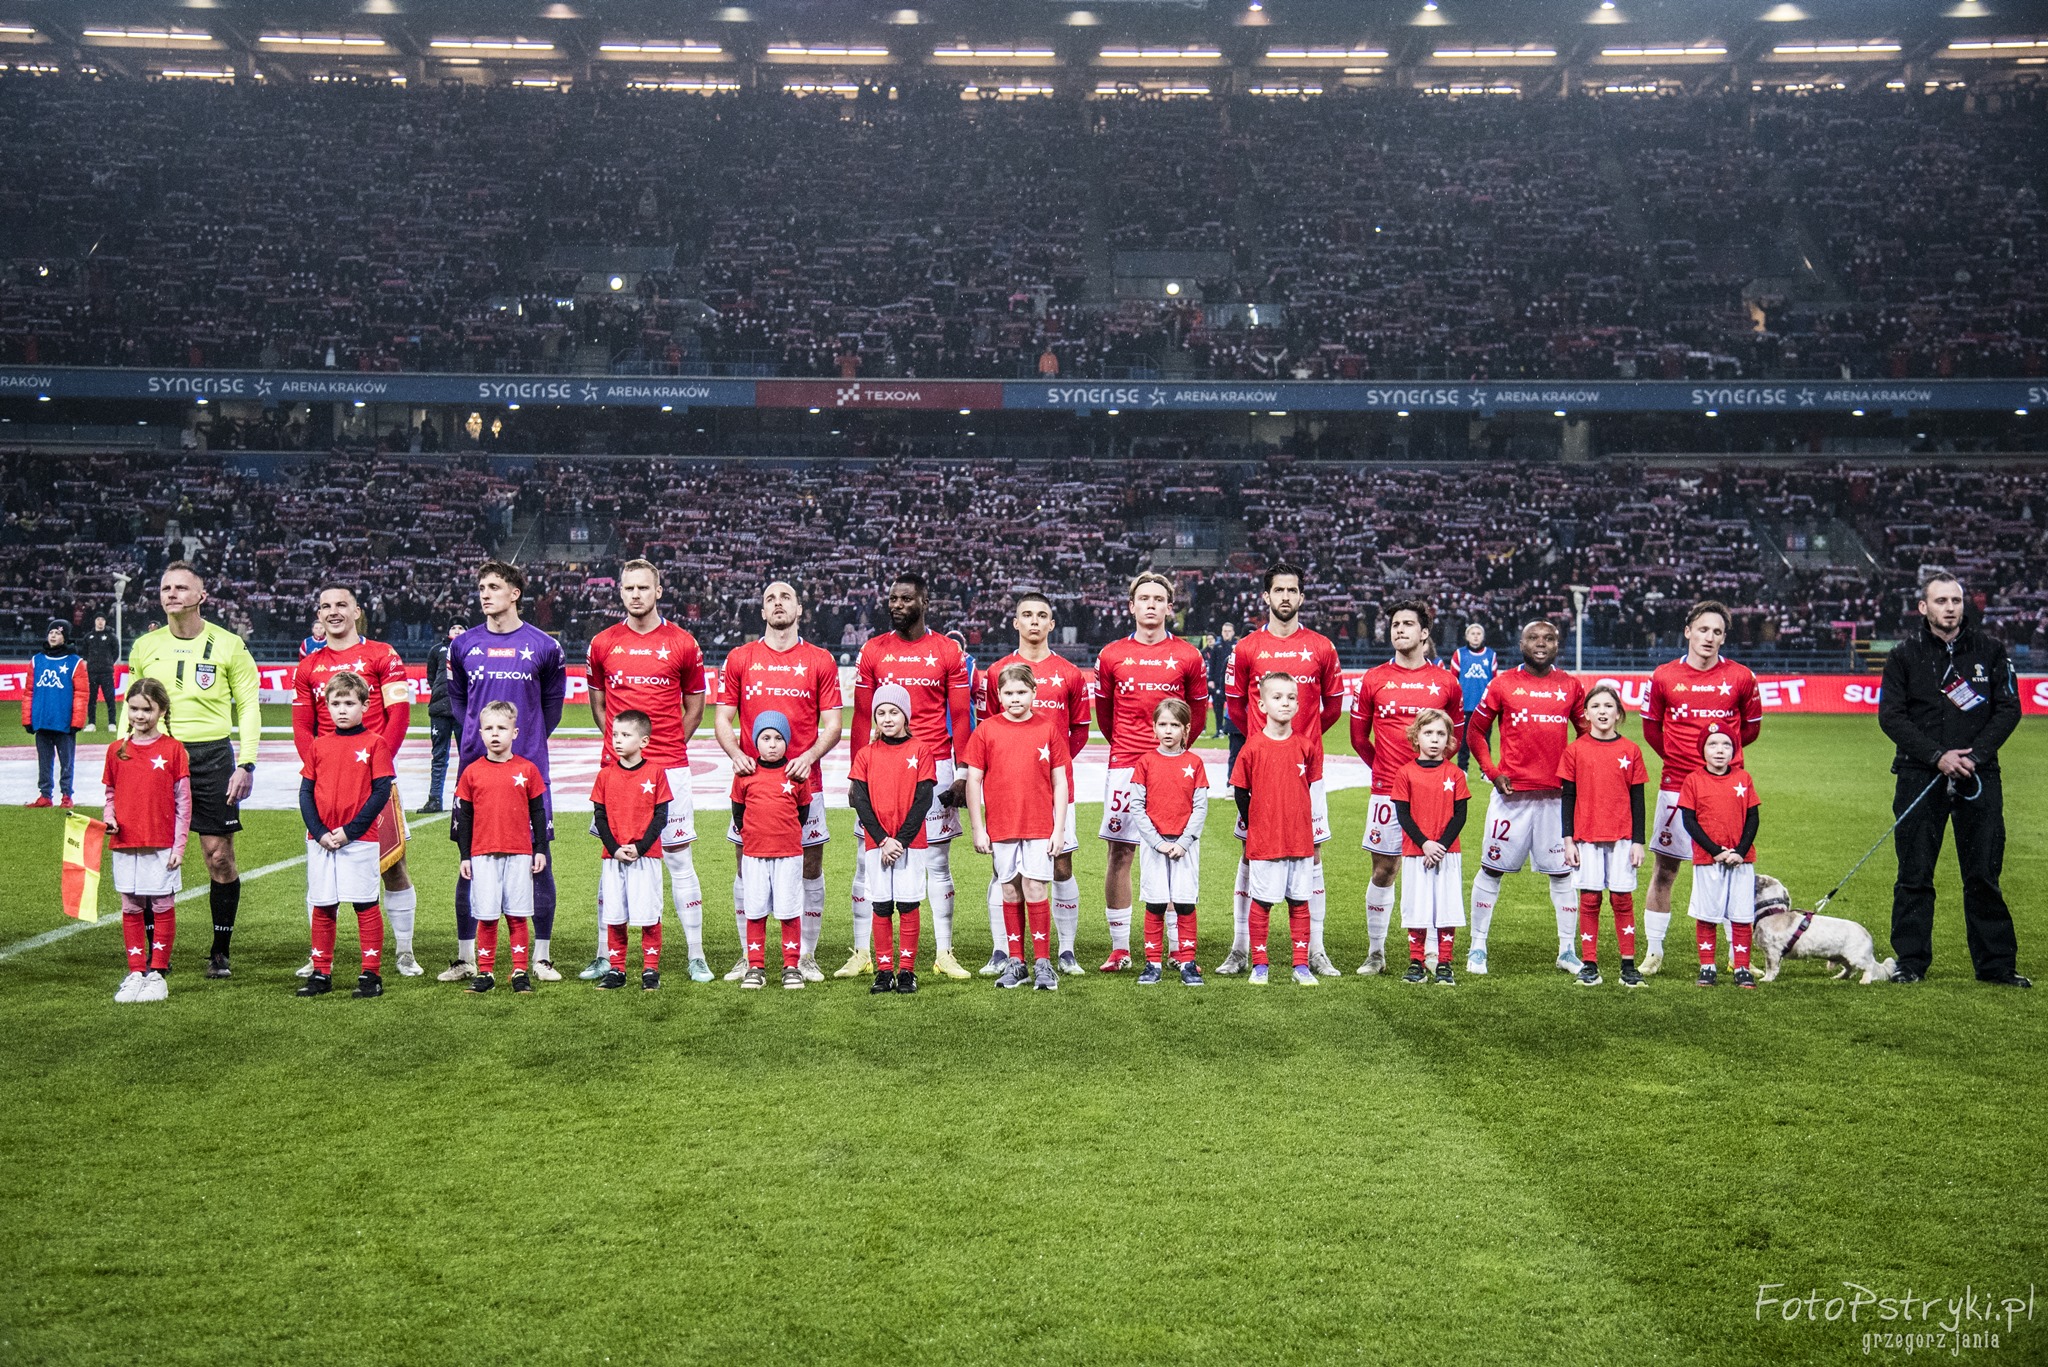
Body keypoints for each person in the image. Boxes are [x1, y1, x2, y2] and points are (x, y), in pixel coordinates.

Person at [1878, 571, 2027, 987]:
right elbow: (1891, 716)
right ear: (1923, 607)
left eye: (1956, 601)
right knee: (1914, 873)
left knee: (1983, 874)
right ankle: (1910, 962)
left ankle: (1996, 966)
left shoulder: (1991, 650)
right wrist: (1936, 756)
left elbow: (2009, 709)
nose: (1949, 608)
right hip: (1918, 774)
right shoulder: (1903, 655)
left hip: (1979, 775)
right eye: (1941, 601)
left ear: (1964, 605)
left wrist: (1974, 757)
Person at [123, 562, 261, 980]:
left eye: (182, 588)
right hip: (156, 755)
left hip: (212, 757)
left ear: (201, 596)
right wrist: (123, 756)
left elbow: (248, 706)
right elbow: (132, 708)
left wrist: (246, 763)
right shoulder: (145, 646)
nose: (172, 593)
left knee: (218, 856)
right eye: (166, 587)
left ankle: (220, 950)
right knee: (151, 853)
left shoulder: (229, 645)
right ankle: (155, 954)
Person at [582, 560, 708, 982]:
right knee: (612, 859)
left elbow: (695, 708)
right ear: (620, 591)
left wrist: (662, 750)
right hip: (616, 773)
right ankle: (604, 955)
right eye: (629, 588)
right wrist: (626, 755)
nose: (635, 595)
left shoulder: (683, 643)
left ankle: (696, 955)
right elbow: (600, 708)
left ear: (658, 591)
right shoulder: (603, 643)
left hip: (670, 768)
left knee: (678, 858)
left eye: (643, 588)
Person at [1217, 562, 1342, 976]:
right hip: (1262, 771)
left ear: (1301, 597)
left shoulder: (1322, 647)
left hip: (1307, 772)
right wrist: (1264, 742)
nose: (1285, 597)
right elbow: (1236, 707)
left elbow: (1332, 707)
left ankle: (1316, 950)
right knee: (1250, 852)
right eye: (1278, 590)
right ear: (1266, 596)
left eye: (1292, 590)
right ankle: (1240, 948)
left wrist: (1302, 743)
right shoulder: (1246, 647)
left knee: (1313, 853)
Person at [846, 573, 973, 980]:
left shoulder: (947, 650)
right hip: (879, 767)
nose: (897, 605)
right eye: (892, 599)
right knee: (867, 861)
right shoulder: (873, 650)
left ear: (924, 602)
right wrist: (854, 776)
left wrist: (963, 772)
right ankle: (862, 953)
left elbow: (961, 716)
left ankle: (944, 952)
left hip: (932, 768)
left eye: (905, 599)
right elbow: (861, 716)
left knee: (936, 862)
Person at [291, 586, 422, 978]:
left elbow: (399, 715)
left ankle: (404, 951)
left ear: (357, 611)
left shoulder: (384, 654)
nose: (333, 612)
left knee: (392, 866)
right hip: (327, 785)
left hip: (374, 779)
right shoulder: (307, 666)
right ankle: (319, 956)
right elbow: (302, 726)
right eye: (325, 606)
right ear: (319, 614)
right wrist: (320, 769)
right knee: (321, 869)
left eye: (341, 605)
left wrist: (376, 765)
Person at [716, 580, 843, 984]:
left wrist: (808, 757)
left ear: (799, 609)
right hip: (753, 784)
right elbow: (722, 719)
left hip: (805, 781)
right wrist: (735, 754)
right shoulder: (740, 657)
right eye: (770, 598)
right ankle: (747, 955)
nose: (777, 603)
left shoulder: (820, 659)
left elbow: (834, 725)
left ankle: (805, 956)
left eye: (786, 597)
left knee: (810, 864)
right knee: (745, 864)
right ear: (762, 611)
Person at [446, 561, 567, 982]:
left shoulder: (544, 646)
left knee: (538, 859)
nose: (485, 593)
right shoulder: (463, 645)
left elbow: (552, 707)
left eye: (494, 586)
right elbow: (458, 702)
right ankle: (466, 958)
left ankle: (541, 957)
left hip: (527, 770)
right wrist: (476, 738)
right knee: (469, 860)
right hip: (475, 771)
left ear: (515, 593)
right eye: (481, 587)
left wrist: (527, 740)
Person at [1094, 571, 1209, 972]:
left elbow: (1197, 714)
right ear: (1132, 606)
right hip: (1125, 765)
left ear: (1169, 607)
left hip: (1172, 768)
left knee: (1173, 851)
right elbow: (1105, 717)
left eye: (1159, 599)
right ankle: (1120, 948)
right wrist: (1132, 748)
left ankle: (1177, 949)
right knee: (1120, 852)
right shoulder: (1111, 654)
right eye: (1144, 598)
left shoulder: (1188, 656)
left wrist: (1172, 756)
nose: (1151, 605)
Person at [1640, 601, 1761, 976]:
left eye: (1717, 632)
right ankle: (1654, 952)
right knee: (1665, 870)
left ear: (1724, 638)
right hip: (1676, 786)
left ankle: (1736, 956)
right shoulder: (1663, 676)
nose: (1709, 637)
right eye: (1703, 629)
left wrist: (1719, 766)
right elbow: (1651, 729)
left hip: (1726, 789)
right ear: (1688, 631)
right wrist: (1681, 761)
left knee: (1730, 868)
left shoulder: (1741, 677)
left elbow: (1750, 729)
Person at [1463, 620, 1589, 976]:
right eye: (1533, 638)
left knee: (1563, 874)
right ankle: (1477, 946)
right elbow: (1475, 731)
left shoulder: (1570, 686)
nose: (1541, 643)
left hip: (1556, 799)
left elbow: (1586, 736)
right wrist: (1492, 771)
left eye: (1549, 638)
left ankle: (1567, 950)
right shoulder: (1503, 683)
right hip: (1511, 798)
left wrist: (1578, 777)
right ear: (1521, 644)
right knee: (1491, 869)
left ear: (1557, 644)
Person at [975, 591, 1091, 977]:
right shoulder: (997, 672)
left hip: (1054, 789)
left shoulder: (1070, 673)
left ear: (1052, 623)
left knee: (1061, 866)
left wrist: (1050, 766)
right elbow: (988, 730)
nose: (1035, 621)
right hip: (1008, 791)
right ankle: (1002, 951)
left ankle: (1066, 951)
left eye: (1042, 615)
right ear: (1015, 622)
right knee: (1003, 872)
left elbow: (1079, 732)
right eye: (1027, 615)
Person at [1348, 600, 1463, 974]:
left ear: (1424, 632)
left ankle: (1430, 952)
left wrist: (1429, 776)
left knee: (1432, 866)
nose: (1399, 629)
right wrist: (1390, 775)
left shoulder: (1445, 682)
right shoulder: (1373, 679)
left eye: (1408, 624)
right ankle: (1376, 953)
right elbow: (1359, 738)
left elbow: (1455, 738)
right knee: (1384, 870)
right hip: (1386, 791)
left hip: (1434, 793)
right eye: (1395, 624)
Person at [961, 662, 1072, 992]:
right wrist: (978, 828)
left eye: (1022, 692)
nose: (1015, 698)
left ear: (1034, 692)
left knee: (1036, 888)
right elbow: (973, 781)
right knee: (1009, 889)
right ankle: (1016, 962)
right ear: (998, 695)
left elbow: (1060, 781)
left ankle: (1043, 963)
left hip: (1039, 825)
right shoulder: (987, 731)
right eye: (1008, 693)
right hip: (1002, 825)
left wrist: (1059, 829)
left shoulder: (1047, 729)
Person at [295, 671, 395, 1000]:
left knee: (365, 904)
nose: (342, 709)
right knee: (323, 905)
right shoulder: (319, 745)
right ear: (326, 706)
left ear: (365, 706)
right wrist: (318, 832)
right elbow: (306, 793)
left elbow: (381, 792)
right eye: (336, 703)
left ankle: (371, 974)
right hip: (321, 841)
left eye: (349, 703)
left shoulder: (375, 744)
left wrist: (350, 832)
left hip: (359, 840)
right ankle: (321, 972)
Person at [1227, 673, 1320, 988]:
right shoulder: (1252, 747)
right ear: (1262, 704)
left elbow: (1309, 790)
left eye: (1291, 697)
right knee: (1263, 902)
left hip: (1300, 839)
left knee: (1300, 901)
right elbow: (1241, 792)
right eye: (1277, 697)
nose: (1285, 703)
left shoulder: (1306, 746)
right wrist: (1257, 823)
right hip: (1266, 839)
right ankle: (1260, 965)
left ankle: (1301, 965)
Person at [452, 700, 550, 996]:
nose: (495, 734)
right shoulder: (472, 772)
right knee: (487, 915)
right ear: (480, 733)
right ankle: (486, 972)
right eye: (489, 728)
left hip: (519, 853)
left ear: (514, 732)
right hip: (482, 854)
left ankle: (519, 971)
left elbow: (538, 812)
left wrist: (540, 848)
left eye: (502, 728)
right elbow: (464, 818)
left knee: (517, 915)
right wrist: (465, 855)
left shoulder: (527, 770)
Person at [103, 677, 189, 1005]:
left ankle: (158, 974)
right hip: (126, 841)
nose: (139, 715)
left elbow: (184, 803)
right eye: (134, 708)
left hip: (161, 843)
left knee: (162, 905)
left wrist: (179, 846)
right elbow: (110, 794)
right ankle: (136, 972)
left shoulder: (173, 750)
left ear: (162, 710)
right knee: (131, 907)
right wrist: (110, 818)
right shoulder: (116, 750)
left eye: (147, 709)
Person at [847, 683, 936, 995]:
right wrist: (884, 840)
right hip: (878, 844)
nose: (887, 718)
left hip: (910, 844)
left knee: (909, 904)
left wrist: (900, 840)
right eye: (881, 712)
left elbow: (924, 799)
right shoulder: (866, 754)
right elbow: (860, 801)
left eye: (894, 712)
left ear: (906, 716)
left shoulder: (920, 751)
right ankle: (884, 971)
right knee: (882, 905)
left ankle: (907, 971)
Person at [1558, 684, 1648, 988]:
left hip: (1622, 836)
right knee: (1590, 898)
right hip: (1586, 835)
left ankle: (1628, 965)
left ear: (1619, 713)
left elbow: (1638, 799)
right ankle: (1590, 964)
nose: (1602, 712)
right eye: (1595, 706)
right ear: (1585, 714)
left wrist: (1638, 841)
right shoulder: (1575, 750)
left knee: (1622, 899)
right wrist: (1568, 840)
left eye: (1609, 706)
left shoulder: (1631, 750)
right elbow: (1568, 797)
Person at [590, 710, 672, 991]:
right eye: (615, 734)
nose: (618, 740)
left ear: (644, 741)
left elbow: (661, 816)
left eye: (625, 735)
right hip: (614, 858)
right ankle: (617, 969)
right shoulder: (605, 775)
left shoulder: (656, 773)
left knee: (649, 914)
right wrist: (613, 849)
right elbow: (599, 817)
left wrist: (640, 847)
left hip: (645, 857)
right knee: (614, 914)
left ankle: (650, 970)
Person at [1128, 698, 1208, 987]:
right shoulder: (1145, 763)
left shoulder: (1194, 763)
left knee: (1185, 903)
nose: (1168, 730)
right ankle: (1153, 964)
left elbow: (1200, 807)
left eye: (1175, 725)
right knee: (1156, 903)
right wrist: (1157, 842)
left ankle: (1188, 963)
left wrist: (1184, 842)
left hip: (1185, 847)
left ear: (1186, 729)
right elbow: (1137, 806)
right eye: (1163, 724)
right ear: (1154, 728)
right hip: (1155, 847)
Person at [730, 711, 810, 990]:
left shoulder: (796, 774)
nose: (772, 744)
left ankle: (791, 966)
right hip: (754, 854)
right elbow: (738, 812)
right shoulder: (745, 774)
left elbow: (802, 812)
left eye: (778, 738)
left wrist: (783, 835)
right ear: (756, 741)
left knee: (789, 909)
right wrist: (754, 836)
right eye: (766, 738)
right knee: (755, 909)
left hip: (788, 854)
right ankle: (756, 966)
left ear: (787, 741)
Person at [1390, 709, 1470, 986]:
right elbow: (1403, 814)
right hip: (1416, 852)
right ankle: (1417, 961)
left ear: (1449, 739)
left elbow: (1460, 815)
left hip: (1447, 854)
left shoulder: (1455, 774)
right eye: (1428, 733)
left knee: (1447, 906)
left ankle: (1445, 962)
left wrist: (1441, 847)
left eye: (1440, 734)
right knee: (1416, 906)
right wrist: (1425, 844)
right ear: (1416, 737)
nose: (1434, 739)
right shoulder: (1405, 773)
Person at [1677, 727, 1761, 990]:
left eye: (1726, 744)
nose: (1720, 750)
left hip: (1741, 860)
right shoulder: (1693, 780)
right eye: (1712, 744)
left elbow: (1753, 817)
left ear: (1734, 751)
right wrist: (1715, 850)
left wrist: (1740, 851)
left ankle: (1742, 967)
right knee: (1707, 914)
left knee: (1742, 914)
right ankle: (1708, 966)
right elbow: (1689, 821)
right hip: (1708, 859)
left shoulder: (1743, 778)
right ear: (1702, 750)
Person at [22, 619, 87, 809]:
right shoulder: (37, 661)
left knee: (66, 761)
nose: (53, 636)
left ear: (65, 637)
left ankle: (66, 795)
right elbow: (29, 692)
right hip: (42, 720)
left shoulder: (75, 662)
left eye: (58, 633)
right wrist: (28, 719)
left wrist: (77, 721)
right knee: (44, 761)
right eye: (51, 632)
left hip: (64, 721)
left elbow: (81, 694)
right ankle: (45, 795)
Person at [419, 622, 460, 814]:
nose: (457, 631)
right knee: (438, 756)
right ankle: (434, 799)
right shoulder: (436, 650)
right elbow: (431, 676)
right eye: (454, 628)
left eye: (461, 628)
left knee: (467, 756)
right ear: (448, 630)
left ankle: (465, 800)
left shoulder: (474, 650)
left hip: (462, 710)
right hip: (439, 709)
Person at [1451, 622, 1497, 770]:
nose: (1476, 637)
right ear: (1467, 636)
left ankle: (1485, 770)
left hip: (1484, 706)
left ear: (1483, 636)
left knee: (1485, 739)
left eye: (1479, 634)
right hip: (1465, 705)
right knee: (1464, 740)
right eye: (1473, 634)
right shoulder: (1459, 654)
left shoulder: (1491, 655)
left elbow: (1494, 682)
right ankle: (1462, 768)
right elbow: (1453, 680)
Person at [81, 614, 119, 733]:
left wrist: (108, 663)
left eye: (102, 619)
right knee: (91, 699)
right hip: (92, 672)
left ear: (105, 622)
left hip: (106, 672)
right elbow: (84, 653)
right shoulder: (88, 637)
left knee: (110, 698)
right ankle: (91, 723)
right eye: (98, 619)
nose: (100, 622)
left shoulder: (111, 636)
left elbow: (116, 652)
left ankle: (112, 723)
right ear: (95, 621)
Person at [1204, 623, 1236, 739]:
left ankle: (1233, 729)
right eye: (1224, 631)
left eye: (1229, 631)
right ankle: (1219, 729)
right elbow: (1212, 665)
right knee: (1218, 706)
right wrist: (1210, 679)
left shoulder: (1237, 646)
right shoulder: (1217, 647)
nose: (1226, 633)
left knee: (1235, 706)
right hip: (1218, 682)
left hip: (1233, 682)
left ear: (1233, 632)